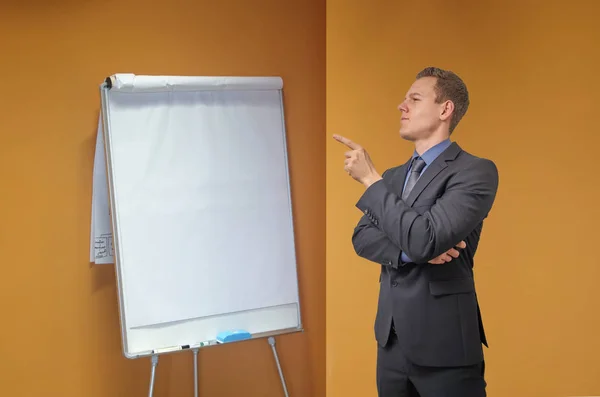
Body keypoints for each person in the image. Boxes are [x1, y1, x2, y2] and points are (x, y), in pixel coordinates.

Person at [333, 66, 499, 397]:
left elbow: (425, 238)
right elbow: (362, 238)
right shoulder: (393, 177)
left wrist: (369, 180)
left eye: (414, 98)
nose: (401, 105)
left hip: (446, 347)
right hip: (391, 343)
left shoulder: (475, 171)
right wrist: (412, 251)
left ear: (445, 109)